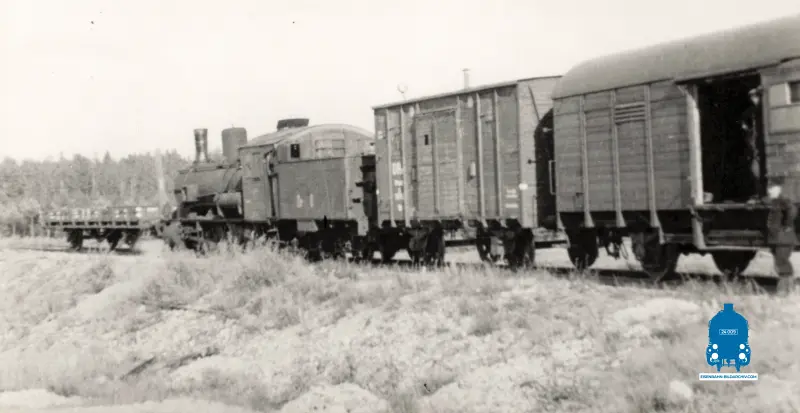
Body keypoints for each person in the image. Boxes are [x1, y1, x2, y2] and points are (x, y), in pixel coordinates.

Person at [765, 176, 797, 295]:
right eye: (769, 188)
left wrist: (787, 225)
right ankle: (789, 288)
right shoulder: (774, 201)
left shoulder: (783, 200)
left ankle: (783, 291)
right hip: (776, 239)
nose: (769, 190)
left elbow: (792, 210)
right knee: (780, 263)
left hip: (783, 238)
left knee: (782, 262)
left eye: (772, 188)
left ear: (779, 189)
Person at [740, 87, 764, 202]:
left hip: (759, 147)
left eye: (755, 96)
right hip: (755, 148)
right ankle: (760, 194)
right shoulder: (752, 111)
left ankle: (761, 194)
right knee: (755, 170)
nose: (753, 99)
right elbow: (744, 122)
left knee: (756, 170)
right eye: (752, 97)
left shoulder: (761, 110)